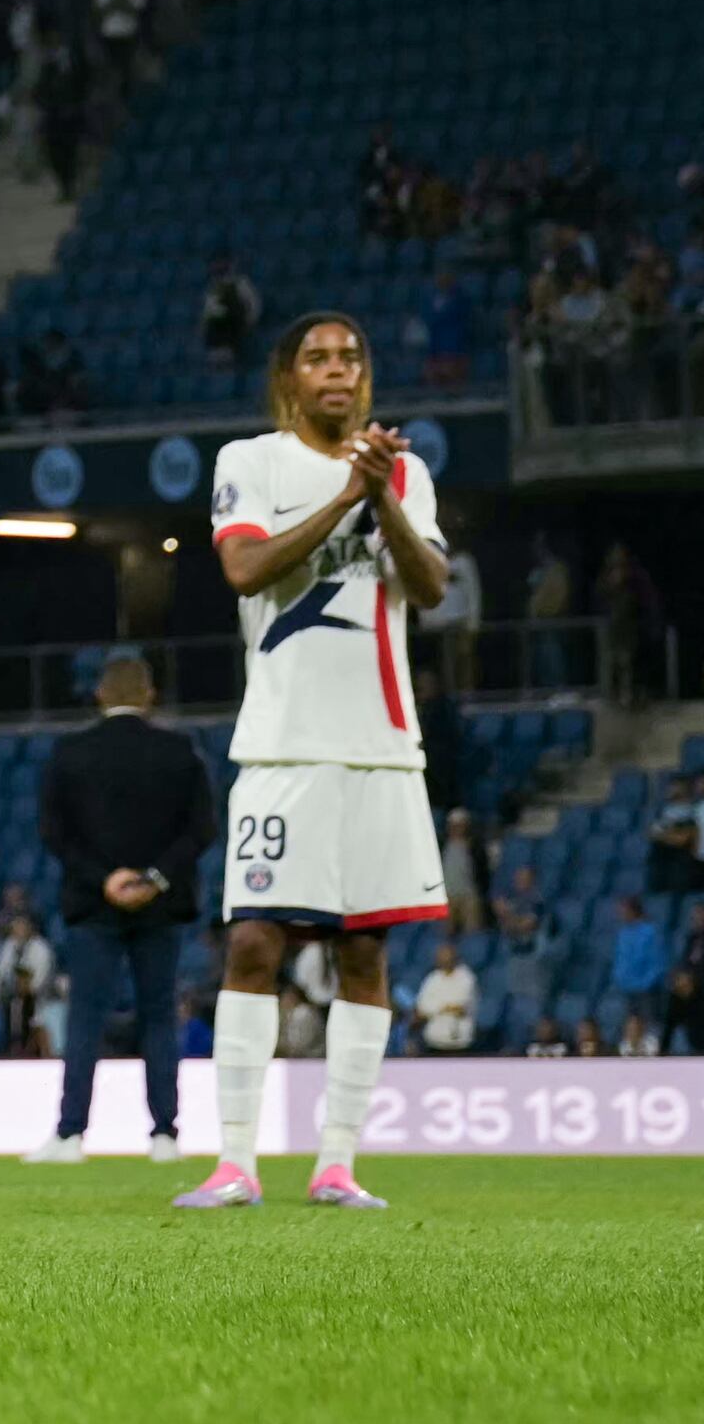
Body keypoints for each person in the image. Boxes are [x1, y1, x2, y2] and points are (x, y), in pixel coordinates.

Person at [186, 314, 446, 1211]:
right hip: (283, 745)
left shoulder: (406, 474)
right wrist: (344, 500)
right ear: (287, 378)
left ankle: (337, 1164)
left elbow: (432, 587)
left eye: (351, 358)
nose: (337, 370)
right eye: (317, 358)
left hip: (381, 749)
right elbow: (246, 568)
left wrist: (380, 498)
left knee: (365, 954)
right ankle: (234, 1163)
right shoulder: (248, 461)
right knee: (253, 943)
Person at [33, 651, 214, 1163]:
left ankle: (70, 1136)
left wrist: (105, 879)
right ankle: (165, 1136)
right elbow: (201, 829)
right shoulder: (181, 751)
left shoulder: (70, 752)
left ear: (99, 695)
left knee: (86, 1017)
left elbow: (53, 833)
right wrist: (153, 878)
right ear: (150, 695)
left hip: (94, 905)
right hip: (160, 906)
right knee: (159, 1015)